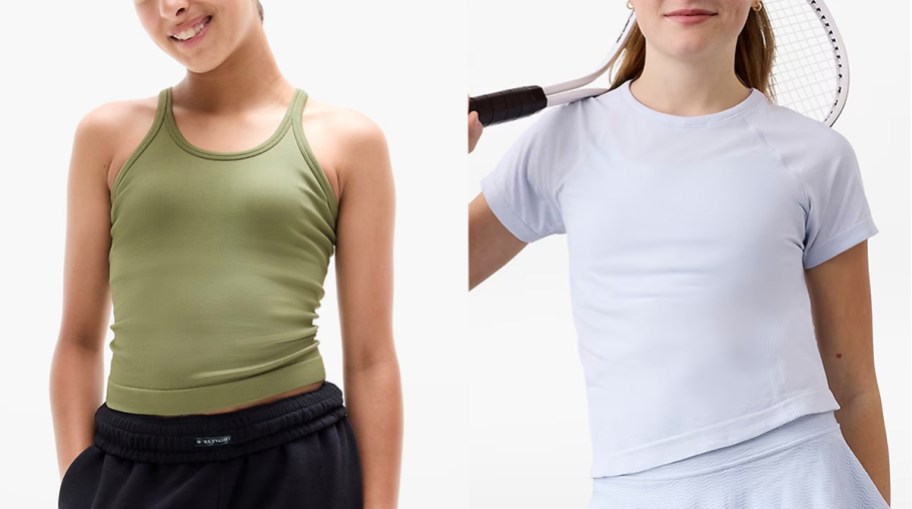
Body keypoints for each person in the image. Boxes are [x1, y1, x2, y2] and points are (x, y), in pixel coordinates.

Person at [468, 0, 890, 507]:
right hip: (636, 488)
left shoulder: (818, 156)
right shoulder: (563, 141)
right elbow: (425, 279)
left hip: (800, 480)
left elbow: (856, 386)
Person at [50, 1, 401, 507]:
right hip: (135, 465)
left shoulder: (348, 142)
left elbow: (371, 359)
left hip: (296, 464)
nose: (171, 7)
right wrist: (80, 482)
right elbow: (76, 342)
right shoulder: (108, 136)